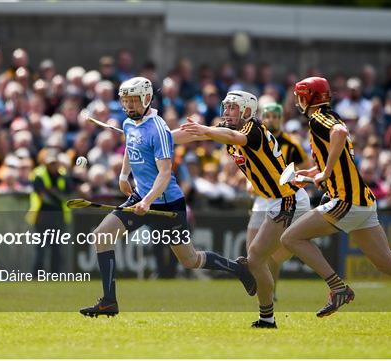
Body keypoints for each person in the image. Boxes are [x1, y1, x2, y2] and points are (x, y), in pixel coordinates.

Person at [280, 76, 391, 335]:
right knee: (387, 262)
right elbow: (337, 155)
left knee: (290, 238)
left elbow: (339, 136)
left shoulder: (318, 120)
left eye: (301, 95)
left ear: (311, 97)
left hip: (346, 201)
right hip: (362, 201)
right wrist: (309, 173)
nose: (298, 101)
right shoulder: (328, 117)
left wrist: (326, 172)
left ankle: (337, 288)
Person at [79, 77, 255, 318]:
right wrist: (123, 175)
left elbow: (164, 173)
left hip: (167, 203)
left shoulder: (159, 129)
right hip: (140, 197)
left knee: (190, 260)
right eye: (126, 101)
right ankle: (109, 301)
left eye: (134, 101)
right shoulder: (129, 123)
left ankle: (237, 268)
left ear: (147, 98)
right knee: (102, 235)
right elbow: (132, 147)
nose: (129, 106)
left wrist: (148, 201)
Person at [176, 91, 311, 328]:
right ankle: (267, 316)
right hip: (269, 199)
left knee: (260, 259)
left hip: (287, 198)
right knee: (257, 259)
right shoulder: (227, 128)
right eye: (225, 107)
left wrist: (206, 130)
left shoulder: (253, 129)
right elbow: (190, 134)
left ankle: (332, 284)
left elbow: (231, 136)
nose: (227, 112)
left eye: (233, 108)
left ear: (247, 111)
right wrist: (158, 137)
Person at [247, 103, 311, 301]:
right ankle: (263, 288)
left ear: (281, 119)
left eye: (276, 116)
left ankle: (270, 292)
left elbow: (305, 169)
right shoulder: (255, 136)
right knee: (252, 250)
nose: (271, 119)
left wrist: (292, 187)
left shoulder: (292, 144)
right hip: (261, 200)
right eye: (268, 116)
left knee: (273, 253)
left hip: (283, 199)